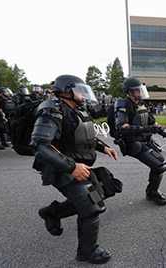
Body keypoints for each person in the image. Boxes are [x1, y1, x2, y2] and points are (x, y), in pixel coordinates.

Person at [32, 75, 118, 264]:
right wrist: (71, 168)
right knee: (92, 207)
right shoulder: (52, 110)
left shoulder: (79, 110)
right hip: (60, 168)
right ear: (65, 92)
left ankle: (52, 213)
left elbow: (86, 135)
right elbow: (41, 145)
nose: (84, 95)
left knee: (99, 194)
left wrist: (104, 147)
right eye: (79, 90)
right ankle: (87, 252)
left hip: (79, 166)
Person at [113, 77, 166, 206]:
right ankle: (153, 193)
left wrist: (163, 132)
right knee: (159, 165)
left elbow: (152, 121)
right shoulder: (123, 104)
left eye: (140, 91)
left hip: (146, 141)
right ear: (128, 92)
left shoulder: (141, 105)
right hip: (133, 143)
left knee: (160, 166)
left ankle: (152, 192)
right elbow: (122, 127)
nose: (140, 93)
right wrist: (147, 129)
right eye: (136, 91)